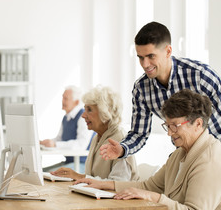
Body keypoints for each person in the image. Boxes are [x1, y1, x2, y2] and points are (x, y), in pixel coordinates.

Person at [76, 89, 221, 209]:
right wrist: (103, 184)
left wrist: (154, 197)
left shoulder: (210, 159)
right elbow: (149, 185)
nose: (169, 133)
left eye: (174, 126)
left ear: (198, 124)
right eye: (167, 126)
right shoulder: (180, 153)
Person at [100, 21, 221, 160]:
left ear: (168, 51)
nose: (145, 64)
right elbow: (139, 133)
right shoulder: (141, 89)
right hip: (186, 156)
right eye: (140, 57)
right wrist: (122, 149)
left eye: (151, 56)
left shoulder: (200, 75)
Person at [50, 86, 139, 181]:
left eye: (89, 110)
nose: (83, 115)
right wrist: (77, 176)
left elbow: (117, 184)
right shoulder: (97, 137)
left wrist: (79, 177)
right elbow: (93, 177)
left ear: (105, 112)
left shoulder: (121, 141)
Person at [40, 85, 92, 172]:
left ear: (76, 102)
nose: (62, 101)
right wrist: (46, 143)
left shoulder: (83, 117)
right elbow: (59, 139)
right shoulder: (66, 118)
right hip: (69, 162)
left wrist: (55, 145)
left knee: (46, 174)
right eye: (62, 98)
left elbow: (81, 145)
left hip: (82, 164)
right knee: (41, 172)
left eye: (66, 99)